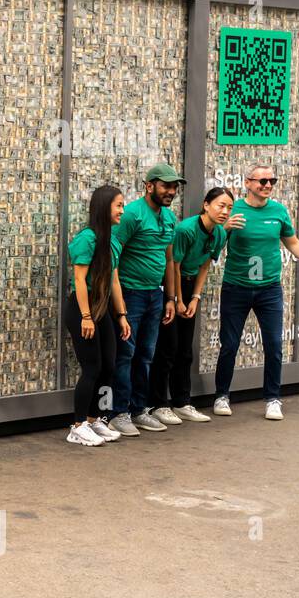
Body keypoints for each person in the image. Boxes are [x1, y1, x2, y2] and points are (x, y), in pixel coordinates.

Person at [213, 164, 299, 421]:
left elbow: (293, 243)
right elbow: (213, 246)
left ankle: (273, 398)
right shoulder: (233, 209)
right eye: (262, 181)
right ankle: (222, 394)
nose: (267, 185)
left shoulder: (278, 211)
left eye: (271, 181)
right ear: (248, 182)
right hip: (236, 287)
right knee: (229, 344)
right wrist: (226, 228)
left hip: (269, 290)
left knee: (274, 345)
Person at [146, 187, 233, 424]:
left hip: (190, 286)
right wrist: (177, 300)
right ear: (206, 205)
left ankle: (182, 401)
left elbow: (205, 265)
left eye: (229, 207)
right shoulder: (185, 230)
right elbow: (173, 264)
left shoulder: (221, 234)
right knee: (167, 348)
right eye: (220, 205)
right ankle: (157, 404)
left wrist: (195, 298)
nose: (225, 211)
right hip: (171, 285)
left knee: (185, 350)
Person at [108, 163, 182, 437]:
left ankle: (140, 410)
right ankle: (119, 413)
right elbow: (113, 256)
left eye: (174, 186)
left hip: (155, 294)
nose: (171, 191)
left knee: (146, 355)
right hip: (130, 293)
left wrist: (171, 298)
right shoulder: (132, 215)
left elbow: (169, 259)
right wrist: (118, 305)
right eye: (165, 185)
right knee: (126, 354)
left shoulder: (170, 218)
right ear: (149, 185)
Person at [65, 185, 132, 446]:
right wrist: (85, 316)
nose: (122, 211)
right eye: (118, 205)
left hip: (103, 310)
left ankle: (95, 420)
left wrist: (122, 315)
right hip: (83, 309)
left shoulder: (113, 241)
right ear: (104, 207)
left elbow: (114, 281)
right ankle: (78, 426)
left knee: (109, 367)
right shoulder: (87, 238)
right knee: (91, 368)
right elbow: (79, 280)